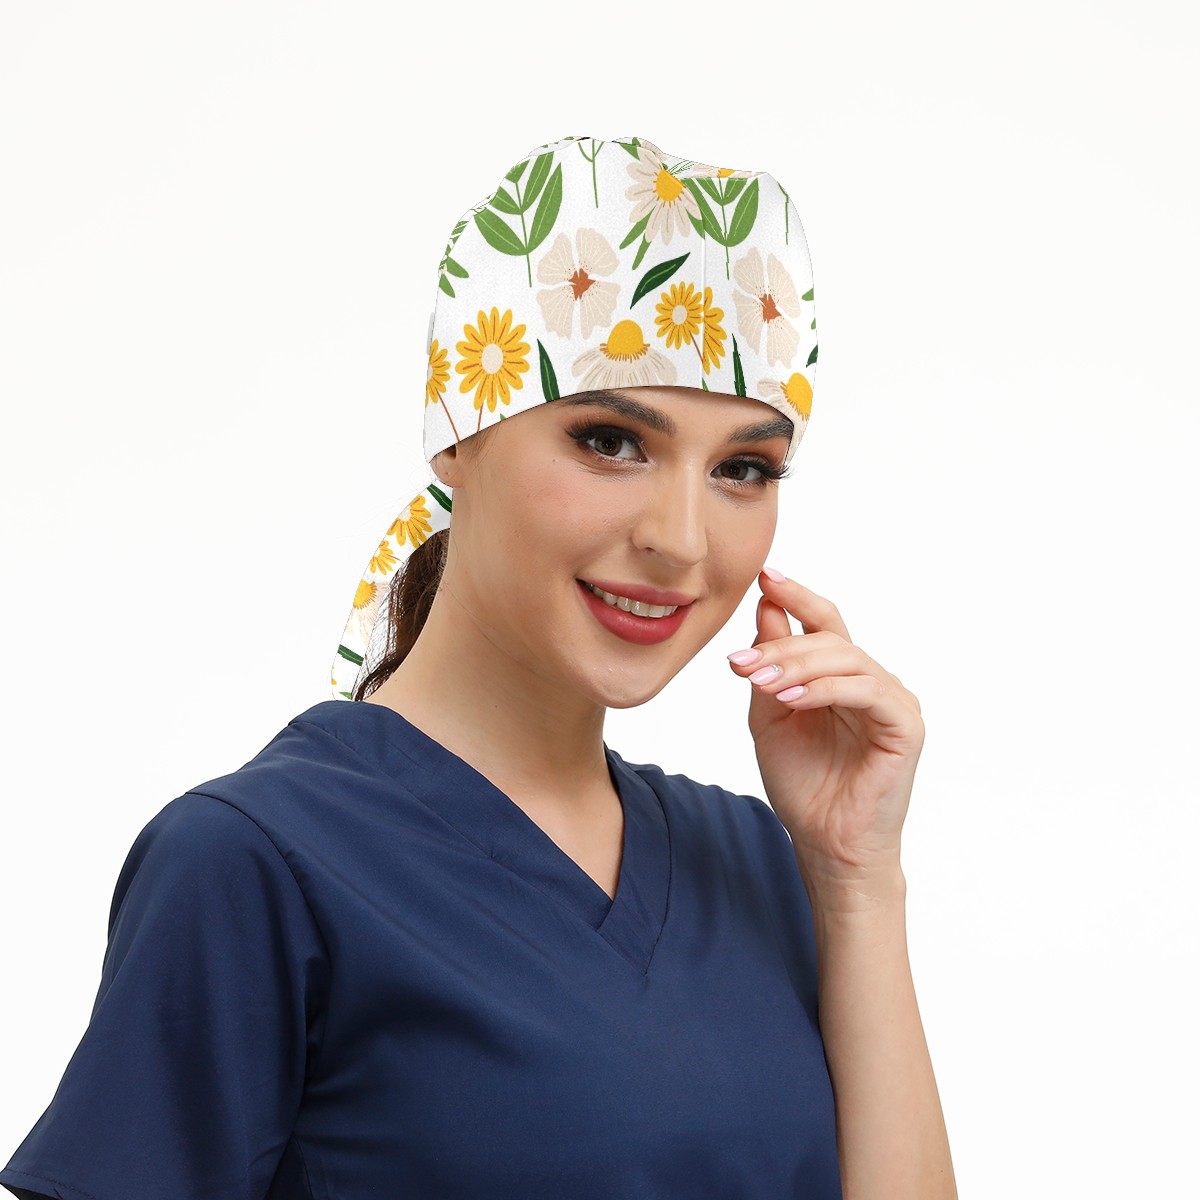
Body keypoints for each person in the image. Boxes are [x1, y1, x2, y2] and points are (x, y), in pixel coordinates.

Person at [1, 134, 957, 1200]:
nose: (683, 540)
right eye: (611, 441)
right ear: (459, 431)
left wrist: (856, 878)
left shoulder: (751, 859)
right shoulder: (253, 865)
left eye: (743, 467)